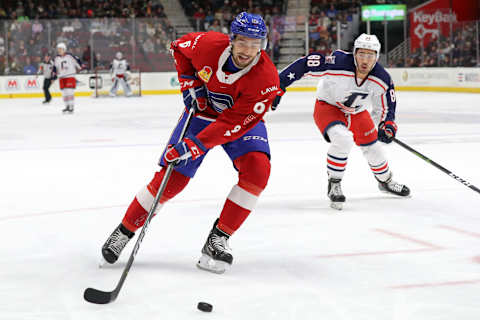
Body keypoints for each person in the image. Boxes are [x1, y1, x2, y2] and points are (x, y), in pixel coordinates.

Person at [100, 12, 280, 274]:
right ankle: (124, 231)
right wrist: (189, 83)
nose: (248, 50)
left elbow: (231, 126)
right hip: (201, 116)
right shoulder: (208, 44)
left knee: (258, 171)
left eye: (255, 44)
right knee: (171, 180)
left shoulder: (266, 79)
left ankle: (219, 238)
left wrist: (195, 145)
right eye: (243, 42)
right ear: (232, 40)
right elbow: (179, 49)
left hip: (239, 122)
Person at [273, 33, 410, 210]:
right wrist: (279, 85)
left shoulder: (382, 79)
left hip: (357, 112)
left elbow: (386, 107)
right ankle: (334, 183)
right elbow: (304, 64)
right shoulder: (337, 63)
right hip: (328, 106)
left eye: (370, 55)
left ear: (377, 56)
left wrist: (387, 124)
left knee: (374, 148)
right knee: (343, 139)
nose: (365, 60)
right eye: (361, 54)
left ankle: (386, 182)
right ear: (354, 53)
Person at [53, 42, 83, 113]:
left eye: (60, 49)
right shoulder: (56, 58)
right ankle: (67, 106)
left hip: (70, 75)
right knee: (64, 93)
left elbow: (77, 60)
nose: (59, 50)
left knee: (69, 91)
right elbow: (55, 68)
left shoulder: (69, 56)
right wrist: (54, 75)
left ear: (64, 49)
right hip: (61, 77)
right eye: (58, 49)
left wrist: (81, 66)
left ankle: (71, 106)